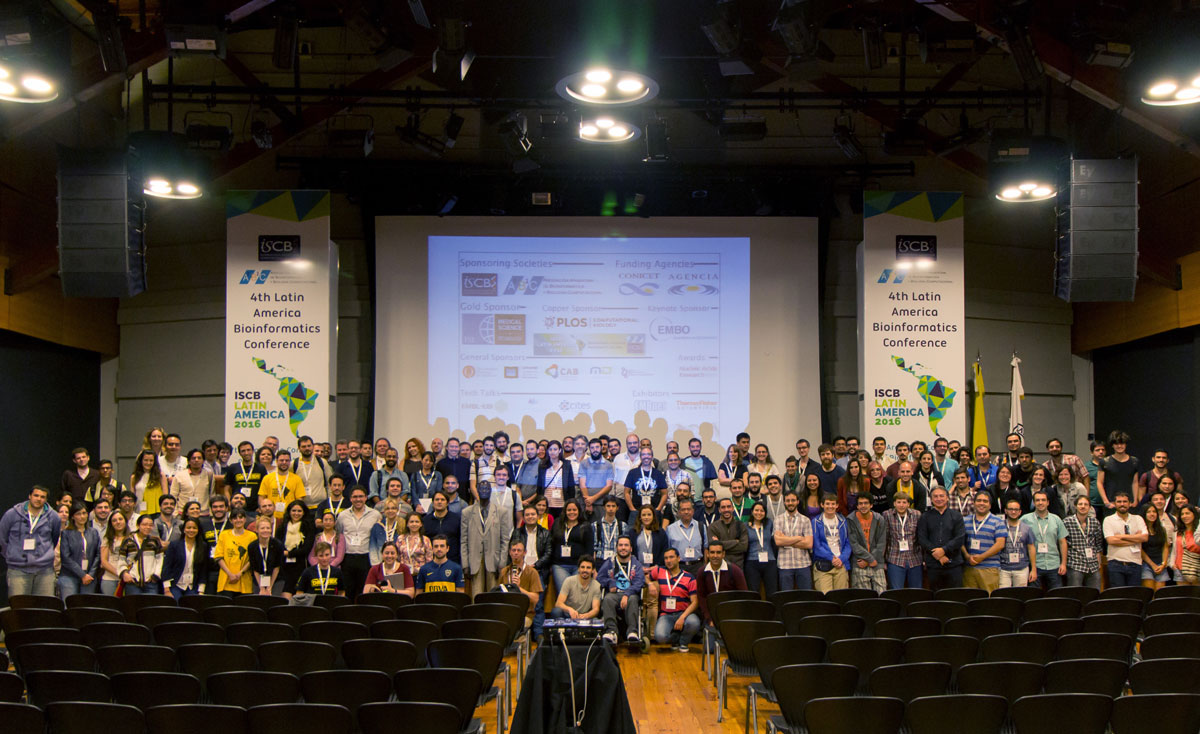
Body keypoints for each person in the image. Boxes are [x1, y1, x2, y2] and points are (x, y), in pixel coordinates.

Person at [0, 485, 62, 597]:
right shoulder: (12, 514)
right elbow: (2, 538)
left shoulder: (53, 517)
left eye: (42, 497)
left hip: (44, 570)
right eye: (36, 495)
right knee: (19, 607)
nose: (39, 499)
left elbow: (54, 537)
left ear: (46, 500)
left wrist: (44, 555)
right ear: (29, 496)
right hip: (18, 569)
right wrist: (11, 554)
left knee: (43, 607)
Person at [460, 480, 514, 598]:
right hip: (474, 560)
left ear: (491, 491)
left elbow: (505, 540)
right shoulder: (467, 512)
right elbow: (463, 540)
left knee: (494, 595)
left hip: (494, 560)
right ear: (477, 491)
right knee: (477, 595)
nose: (484, 491)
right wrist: (465, 564)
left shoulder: (501, 512)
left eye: (487, 489)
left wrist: (502, 563)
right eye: (482, 489)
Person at [649, 548, 700, 651]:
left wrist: (682, 617)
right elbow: (644, 577)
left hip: (684, 614)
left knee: (694, 622)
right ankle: (675, 639)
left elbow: (695, 602)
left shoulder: (689, 578)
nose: (668, 560)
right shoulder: (659, 571)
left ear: (678, 558)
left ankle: (683, 642)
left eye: (671, 557)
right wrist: (650, 584)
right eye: (666, 558)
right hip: (666, 615)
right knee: (660, 636)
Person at [597, 536, 646, 644]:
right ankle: (611, 632)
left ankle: (632, 632)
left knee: (633, 599)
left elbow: (639, 582)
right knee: (607, 599)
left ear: (631, 549)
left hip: (630, 594)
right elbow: (599, 578)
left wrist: (627, 594)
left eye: (626, 545)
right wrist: (610, 582)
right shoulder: (610, 562)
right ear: (616, 548)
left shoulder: (636, 564)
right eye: (620, 545)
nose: (623, 548)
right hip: (614, 594)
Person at [337, 485, 382, 600]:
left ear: (366, 497)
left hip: (366, 557)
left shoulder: (375, 514)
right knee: (348, 590)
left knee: (365, 591)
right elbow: (339, 534)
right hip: (348, 558)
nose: (358, 499)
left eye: (361, 496)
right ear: (350, 499)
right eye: (355, 497)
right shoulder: (342, 516)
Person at [917, 487, 966, 591]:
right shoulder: (925, 517)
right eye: (935, 496)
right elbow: (922, 538)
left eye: (941, 496)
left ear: (947, 498)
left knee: (955, 596)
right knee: (936, 597)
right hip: (933, 564)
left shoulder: (957, 516)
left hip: (954, 563)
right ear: (931, 499)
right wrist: (939, 556)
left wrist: (944, 550)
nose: (938, 498)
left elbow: (960, 538)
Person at [696, 541, 748, 639]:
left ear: (723, 554)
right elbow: (702, 597)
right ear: (707, 554)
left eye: (718, 552)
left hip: (732, 615)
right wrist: (709, 618)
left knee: (732, 647)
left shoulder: (735, 571)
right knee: (711, 649)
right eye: (712, 552)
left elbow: (743, 595)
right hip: (712, 616)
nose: (715, 556)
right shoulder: (702, 572)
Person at [1021, 490, 1069, 590]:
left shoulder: (1056, 519)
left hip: (1054, 564)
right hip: (1034, 565)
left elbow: (1062, 542)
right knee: (1034, 596)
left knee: (1056, 596)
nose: (1040, 503)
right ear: (1034, 503)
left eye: (1043, 500)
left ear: (1048, 502)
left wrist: (1063, 563)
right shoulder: (1025, 519)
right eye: (1037, 500)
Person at [961, 491, 1005, 593]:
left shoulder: (998, 521)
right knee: (970, 600)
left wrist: (982, 557)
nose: (981, 503)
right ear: (974, 503)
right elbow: (959, 541)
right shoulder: (965, 520)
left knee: (989, 601)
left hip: (989, 568)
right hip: (969, 567)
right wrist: (967, 556)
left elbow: (1000, 544)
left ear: (990, 505)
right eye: (979, 500)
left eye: (985, 501)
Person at [1103, 490, 1149, 587]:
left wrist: (1121, 536)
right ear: (1114, 504)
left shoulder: (1138, 519)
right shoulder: (1108, 520)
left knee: (1133, 597)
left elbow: (1144, 538)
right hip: (1116, 563)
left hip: (1135, 563)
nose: (1122, 504)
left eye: (1125, 501)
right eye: (1119, 502)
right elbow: (1111, 540)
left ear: (1130, 503)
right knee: (1119, 597)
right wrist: (1136, 538)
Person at [847, 493, 887, 593]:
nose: (863, 506)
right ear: (857, 506)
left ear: (871, 505)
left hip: (877, 562)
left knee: (881, 594)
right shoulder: (850, 520)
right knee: (864, 598)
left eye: (866, 503)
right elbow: (853, 543)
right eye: (860, 503)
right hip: (860, 562)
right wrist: (869, 559)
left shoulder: (879, 519)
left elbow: (881, 543)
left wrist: (872, 559)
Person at [58, 502, 100, 598]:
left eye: (84, 513)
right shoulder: (66, 533)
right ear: (72, 517)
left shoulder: (93, 532)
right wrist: (82, 575)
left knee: (86, 607)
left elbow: (97, 555)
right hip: (69, 575)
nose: (82, 516)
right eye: (78, 514)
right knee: (69, 605)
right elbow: (65, 557)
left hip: (89, 576)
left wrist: (90, 574)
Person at [550, 499, 592, 594]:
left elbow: (589, 548)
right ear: (565, 511)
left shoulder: (585, 526)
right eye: (569, 510)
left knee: (576, 594)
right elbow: (551, 544)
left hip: (579, 566)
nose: (571, 512)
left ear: (579, 511)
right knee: (564, 593)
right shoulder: (557, 523)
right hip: (560, 565)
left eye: (574, 510)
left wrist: (588, 566)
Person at [774, 491, 814, 590]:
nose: (790, 503)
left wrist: (786, 540)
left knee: (806, 596)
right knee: (787, 597)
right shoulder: (778, 520)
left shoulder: (805, 520)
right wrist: (799, 538)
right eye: (788, 501)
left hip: (803, 564)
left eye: (793, 500)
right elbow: (778, 542)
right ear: (784, 502)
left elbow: (809, 544)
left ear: (797, 502)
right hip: (785, 564)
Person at [811, 494, 851, 592]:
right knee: (825, 598)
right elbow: (816, 545)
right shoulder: (815, 522)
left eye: (833, 504)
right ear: (822, 505)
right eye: (827, 504)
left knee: (841, 598)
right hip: (823, 564)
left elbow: (848, 543)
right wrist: (831, 558)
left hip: (841, 564)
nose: (830, 506)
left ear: (837, 505)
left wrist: (841, 559)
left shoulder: (843, 521)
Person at [499, 539, 542, 628]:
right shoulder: (504, 571)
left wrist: (519, 588)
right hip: (507, 612)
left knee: (516, 626)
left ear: (524, 553)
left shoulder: (532, 572)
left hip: (525, 614)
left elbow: (536, 599)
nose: (516, 553)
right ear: (510, 552)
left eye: (519, 550)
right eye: (513, 550)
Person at [275, 500, 314, 598]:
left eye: (299, 511)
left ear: (304, 512)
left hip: (301, 566)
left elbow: (306, 548)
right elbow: (277, 545)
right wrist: (284, 553)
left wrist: (289, 554)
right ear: (289, 512)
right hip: (284, 567)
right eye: (294, 511)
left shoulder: (308, 527)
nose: (296, 513)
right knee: (285, 595)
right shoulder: (282, 527)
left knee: (298, 597)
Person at [883, 492, 922, 590]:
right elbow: (884, 538)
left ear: (909, 504)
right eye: (898, 502)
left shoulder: (917, 514)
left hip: (915, 559)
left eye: (904, 502)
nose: (901, 505)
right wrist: (882, 560)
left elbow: (920, 536)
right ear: (894, 503)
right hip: (895, 558)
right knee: (896, 591)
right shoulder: (887, 515)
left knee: (916, 592)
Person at [162, 517, 207, 599]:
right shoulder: (174, 545)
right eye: (188, 528)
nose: (191, 530)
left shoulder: (203, 546)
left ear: (198, 530)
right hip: (175, 585)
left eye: (194, 528)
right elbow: (167, 567)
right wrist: (167, 590)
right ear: (184, 529)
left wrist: (201, 591)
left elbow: (203, 570)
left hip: (192, 586)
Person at [120, 514, 165, 595]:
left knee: (150, 606)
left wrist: (156, 575)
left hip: (150, 582)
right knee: (133, 606)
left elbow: (160, 559)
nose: (147, 527)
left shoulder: (155, 541)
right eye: (144, 524)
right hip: (132, 582)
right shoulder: (128, 540)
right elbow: (122, 559)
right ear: (138, 525)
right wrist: (124, 573)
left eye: (150, 525)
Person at [214, 509, 255, 596]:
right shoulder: (224, 535)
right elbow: (218, 556)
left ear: (245, 519)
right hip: (226, 580)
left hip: (244, 582)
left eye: (241, 517)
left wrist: (240, 573)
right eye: (235, 518)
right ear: (231, 520)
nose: (238, 520)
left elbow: (252, 559)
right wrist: (230, 574)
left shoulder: (252, 536)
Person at [999, 499, 1038, 588]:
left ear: (1020, 512)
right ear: (1005, 511)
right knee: (1003, 595)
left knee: (1020, 596)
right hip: (1003, 568)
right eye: (1010, 509)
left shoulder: (1027, 528)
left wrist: (1034, 569)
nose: (1013, 512)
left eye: (1016, 510)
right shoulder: (999, 526)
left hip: (1022, 568)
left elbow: (1031, 548)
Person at [1097, 431, 1139, 512]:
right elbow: (1099, 482)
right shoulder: (1105, 462)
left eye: (1122, 443)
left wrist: (1135, 500)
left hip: (1129, 504)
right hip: (1111, 503)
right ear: (1112, 445)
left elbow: (1135, 482)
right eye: (1116, 444)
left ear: (1126, 444)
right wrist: (1106, 501)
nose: (1119, 446)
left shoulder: (1134, 461)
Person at [258, 450, 306, 522]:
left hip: (289, 517)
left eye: (287, 460)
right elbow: (262, 497)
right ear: (277, 461)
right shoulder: (267, 478)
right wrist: (264, 512)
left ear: (290, 462)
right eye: (281, 460)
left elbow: (299, 500)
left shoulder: (296, 479)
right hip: (271, 517)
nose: (284, 462)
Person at [743, 501, 778, 597]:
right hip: (752, 562)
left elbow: (774, 542)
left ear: (765, 513)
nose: (759, 513)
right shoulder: (746, 526)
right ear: (752, 512)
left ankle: (772, 611)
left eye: (762, 511)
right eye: (756, 510)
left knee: (772, 591)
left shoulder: (769, 524)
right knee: (753, 592)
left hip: (770, 561)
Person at [551, 556, 602, 620]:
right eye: (582, 567)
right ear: (578, 569)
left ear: (593, 570)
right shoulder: (569, 581)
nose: (585, 570)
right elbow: (558, 603)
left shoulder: (597, 585)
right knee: (556, 611)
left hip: (585, 616)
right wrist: (570, 610)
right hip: (568, 615)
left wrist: (586, 615)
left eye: (588, 568)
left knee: (595, 620)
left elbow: (596, 609)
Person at [223, 441, 266, 513]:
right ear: (240, 453)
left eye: (248, 450)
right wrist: (229, 503)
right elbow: (226, 489)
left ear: (253, 451)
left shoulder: (261, 468)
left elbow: (264, 489)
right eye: (243, 451)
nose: (246, 453)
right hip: (237, 507)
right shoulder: (233, 467)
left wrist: (261, 506)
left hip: (255, 508)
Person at [247, 516, 285, 595]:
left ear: (271, 529)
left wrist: (269, 587)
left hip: (276, 579)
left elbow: (277, 567)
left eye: (268, 528)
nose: (265, 530)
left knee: (273, 599)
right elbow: (255, 569)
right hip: (259, 579)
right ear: (257, 530)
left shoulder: (278, 545)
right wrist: (261, 588)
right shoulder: (252, 546)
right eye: (262, 528)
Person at [666, 498, 705, 576]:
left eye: (689, 509)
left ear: (693, 511)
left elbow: (706, 548)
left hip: (697, 566)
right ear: (679, 512)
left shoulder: (701, 526)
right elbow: (668, 549)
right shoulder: (670, 529)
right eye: (683, 510)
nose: (686, 512)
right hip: (679, 566)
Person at [625, 448, 667, 516]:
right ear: (640, 457)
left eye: (649, 454)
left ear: (652, 457)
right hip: (637, 511)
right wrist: (632, 509)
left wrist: (658, 509)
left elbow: (664, 494)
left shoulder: (658, 474)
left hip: (654, 511)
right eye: (643, 454)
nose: (646, 456)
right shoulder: (632, 473)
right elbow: (626, 492)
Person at [708, 498, 748, 569]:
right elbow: (714, 548)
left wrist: (720, 543)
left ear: (732, 508)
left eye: (728, 507)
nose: (726, 510)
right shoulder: (713, 527)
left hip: (738, 566)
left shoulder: (741, 525)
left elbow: (743, 547)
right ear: (719, 510)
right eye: (723, 507)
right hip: (719, 566)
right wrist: (735, 542)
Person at [579, 438, 615, 518]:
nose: (595, 450)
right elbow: (582, 484)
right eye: (592, 448)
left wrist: (593, 499)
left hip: (601, 503)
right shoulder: (584, 463)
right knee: (585, 528)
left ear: (601, 448)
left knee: (600, 527)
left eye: (597, 447)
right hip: (585, 503)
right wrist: (588, 502)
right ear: (589, 449)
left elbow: (609, 486)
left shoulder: (608, 464)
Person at [99, 510, 130, 595]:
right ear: (111, 524)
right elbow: (104, 562)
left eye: (120, 519)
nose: (118, 522)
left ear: (125, 521)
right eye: (114, 520)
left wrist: (125, 575)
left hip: (128, 579)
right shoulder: (107, 539)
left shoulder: (132, 538)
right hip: (109, 579)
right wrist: (120, 574)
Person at [1141, 503, 1171, 590]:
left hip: (1160, 564)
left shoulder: (1161, 529)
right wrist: (1152, 565)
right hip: (1146, 564)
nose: (1152, 514)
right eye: (1149, 512)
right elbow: (1140, 550)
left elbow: (1165, 546)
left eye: (1154, 511)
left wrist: (1164, 563)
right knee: (1149, 593)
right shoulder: (1140, 529)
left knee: (1160, 595)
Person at [130, 450, 167, 516]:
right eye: (146, 460)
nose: (148, 463)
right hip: (139, 511)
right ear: (141, 461)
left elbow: (165, 496)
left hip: (156, 512)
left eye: (151, 460)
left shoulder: (160, 476)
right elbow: (132, 496)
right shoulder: (134, 477)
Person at [1175, 505, 1200, 585]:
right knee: (1183, 596)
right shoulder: (1177, 531)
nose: (1184, 516)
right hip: (1179, 568)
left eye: (1187, 513)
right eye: (1182, 514)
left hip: (1196, 568)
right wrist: (1172, 564)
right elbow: (1173, 550)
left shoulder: (1198, 532)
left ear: (1194, 514)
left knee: (1196, 596)